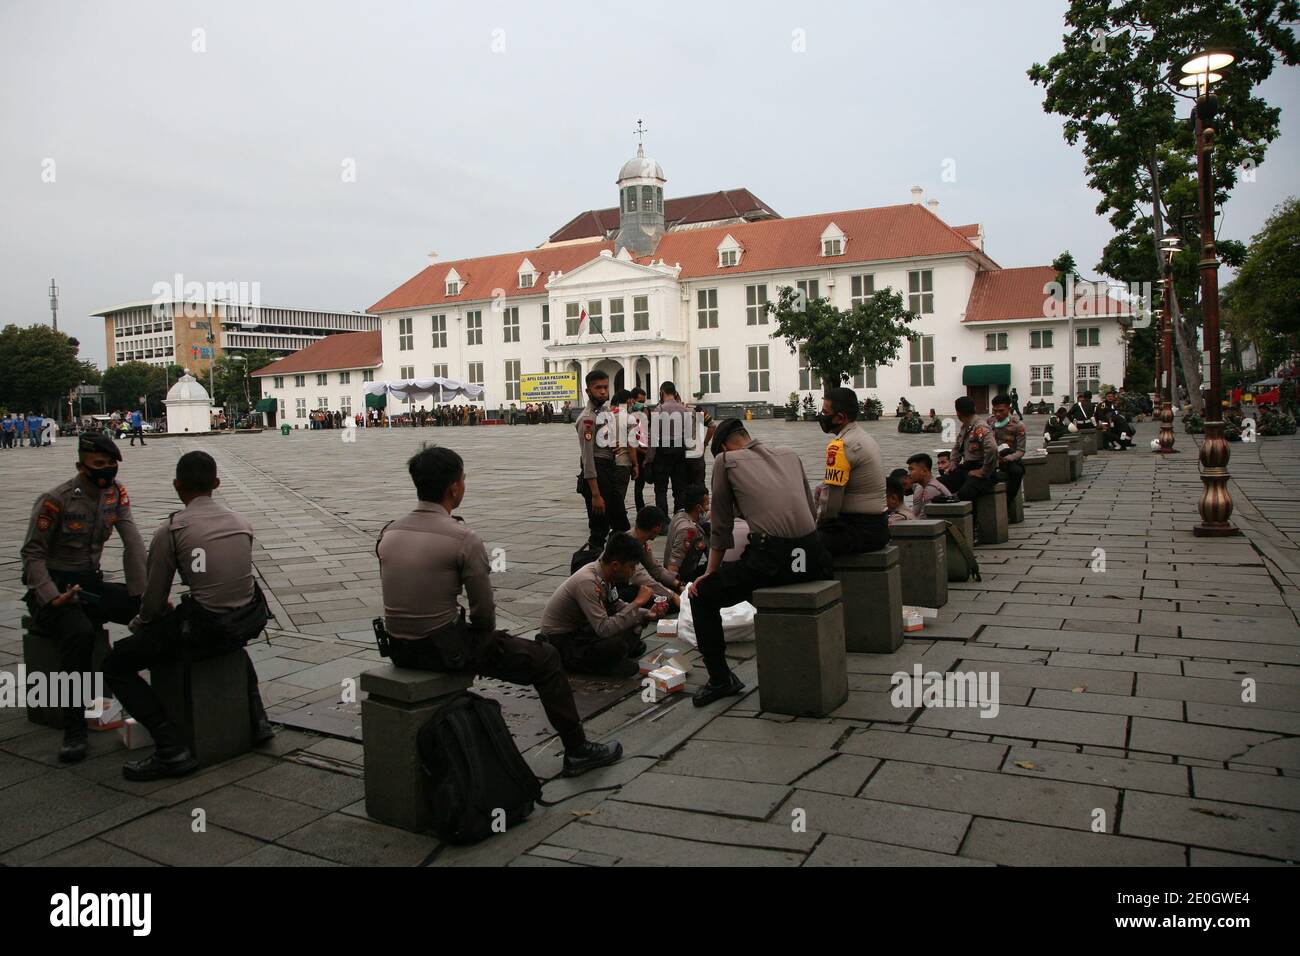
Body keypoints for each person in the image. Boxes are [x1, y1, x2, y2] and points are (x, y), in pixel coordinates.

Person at [379, 445, 622, 777]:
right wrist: (486, 641)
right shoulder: (462, 537)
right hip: (441, 649)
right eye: (463, 480)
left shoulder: (389, 532)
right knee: (546, 659)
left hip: (397, 648)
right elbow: (483, 612)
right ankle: (578, 750)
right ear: (454, 487)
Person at [102, 451, 273, 781]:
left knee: (116, 663)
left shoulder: (173, 530)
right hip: (247, 621)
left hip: (206, 630)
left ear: (177, 485)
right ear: (217, 484)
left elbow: (152, 603)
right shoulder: (242, 522)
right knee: (228, 637)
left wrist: (141, 624)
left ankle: (170, 748)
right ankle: (257, 720)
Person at [688, 419, 832, 706]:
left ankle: (720, 679)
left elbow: (721, 528)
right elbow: (811, 508)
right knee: (749, 566)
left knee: (702, 596)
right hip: (815, 557)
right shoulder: (790, 454)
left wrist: (709, 573)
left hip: (773, 560)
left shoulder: (726, 462)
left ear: (724, 447)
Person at [21, 433, 146, 762]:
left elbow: (132, 542)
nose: (106, 471)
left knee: (151, 614)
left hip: (89, 584)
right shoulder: (55, 500)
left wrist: (145, 595)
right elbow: (32, 555)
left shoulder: (115, 494)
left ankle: (148, 706)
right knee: (79, 634)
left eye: (111, 464)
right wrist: (51, 597)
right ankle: (73, 727)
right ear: (81, 466)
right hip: (52, 587)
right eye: (98, 465)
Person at [539, 532, 667, 678]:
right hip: (562, 640)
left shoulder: (606, 574)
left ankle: (612, 659)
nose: (632, 572)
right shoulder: (587, 582)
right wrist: (637, 602)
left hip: (583, 630)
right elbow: (604, 629)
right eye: (631, 567)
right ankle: (594, 664)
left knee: (631, 628)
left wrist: (646, 613)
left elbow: (616, 605)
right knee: (617, 645)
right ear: (615, 565)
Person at [814, 387, 889, 555]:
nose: (821, 416)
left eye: (825, 412)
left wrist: (815, 524)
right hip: (878, 526)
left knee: (802, 547)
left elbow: (830, 503)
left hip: (857, 529)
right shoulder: (862, 436)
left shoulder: (841, 446)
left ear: (840, 418)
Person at [575, 369, 628, 547]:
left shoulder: (604, 412)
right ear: (588, 391)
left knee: (622, 525)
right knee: (599, 530)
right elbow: (587, 459)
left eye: (606, 387)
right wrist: (595, 494)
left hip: (609, 471)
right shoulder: (587, 419)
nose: (603, 391)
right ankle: (591, 566)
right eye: (598, 388)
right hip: (597, 476)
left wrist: (613, 445)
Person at [619, 506, 681, 608]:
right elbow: (640, 578)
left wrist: (678, 584)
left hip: (633, 581)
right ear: (656, 528)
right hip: (621, 587)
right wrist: (671, 595)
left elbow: (655, 569)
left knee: (670, 589)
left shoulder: (641, 541)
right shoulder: (628, 544)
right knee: (668, 604)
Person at [940, 396, 997, 500]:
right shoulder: (966, 427)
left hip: (982, 470)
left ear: (958, 413)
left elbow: (992, 449)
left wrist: (983, 471)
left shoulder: (979, 427)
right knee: (940, 483)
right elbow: (957, 448)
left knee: (965, 493)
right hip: (967, 467)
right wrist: (953, 463)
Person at [651, 382, 692, 515]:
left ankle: (662, 520)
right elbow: (689, 433)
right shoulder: (684, 409)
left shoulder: (659, 410)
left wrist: (649, 458)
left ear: (662, 392)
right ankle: (679, 515)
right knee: (680, 487)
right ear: (675, 393)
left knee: (661, 488)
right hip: (680, 450)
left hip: (663, 451)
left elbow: (654, 436)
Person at [664, 484, 709, 583]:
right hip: (683, 578)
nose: (707, 508)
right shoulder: (688, 530)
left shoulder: (680, 514)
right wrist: (679, 588)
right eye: (706, 504)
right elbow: (673, 566)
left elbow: (700, 519)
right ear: (698, 507)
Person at [988, 393, 1027, 502]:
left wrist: (1007, 458)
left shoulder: (1018, 426)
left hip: (1009, 458)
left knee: (1017, 472)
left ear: (1009, 409)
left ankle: (1007, 501)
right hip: (991, 457)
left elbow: (1020, 451)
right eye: (995, 411)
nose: (997, 414)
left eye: (1001, 411)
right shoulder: (990, 421)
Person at [907, 453, 950, 518]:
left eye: (911, 469)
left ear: (924, 471)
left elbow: (924, 520)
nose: (909, 474)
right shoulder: (923, 486)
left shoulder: (931, 489)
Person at [629, 387, 651, 513]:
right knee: (638, 485)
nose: (642, 404)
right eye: (640, 401)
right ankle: (640, 510)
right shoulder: (627, 414)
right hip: (635, 453)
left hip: (647, 452)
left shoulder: (646, 412)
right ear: (633, 400)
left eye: (644, 401)